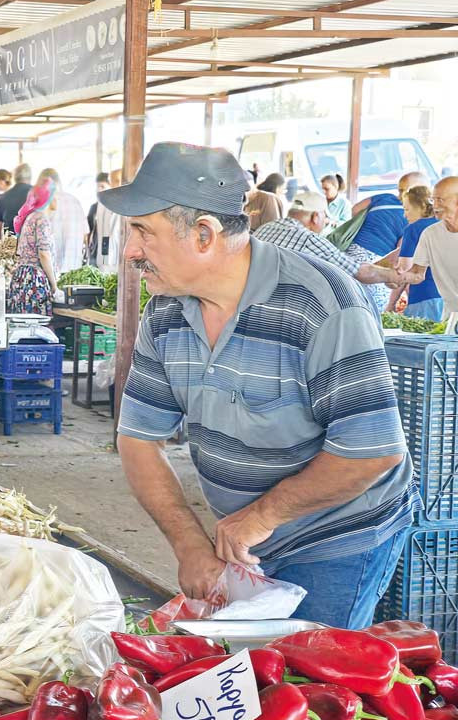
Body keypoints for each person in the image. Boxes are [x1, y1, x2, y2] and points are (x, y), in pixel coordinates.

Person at [104, 142, 413, 628]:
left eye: (142, 231)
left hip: (336, 535)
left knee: (310, 680)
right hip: (241, 539)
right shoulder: (165, 311)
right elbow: (139, 438)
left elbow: (373, 451)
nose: (130, 251)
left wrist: (263, 516)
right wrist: (190, 546)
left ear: (204, 234)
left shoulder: (321, 303)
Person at [253, 191, 403, 289]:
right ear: (316, 217)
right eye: (325, 217)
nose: (325, 222)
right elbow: (359, 272)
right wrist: (395, 276)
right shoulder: (309, 239)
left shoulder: (265, 228)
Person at [346, 172, 429, 313]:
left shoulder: (384, 198)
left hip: (350, 253)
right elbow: (402, 259)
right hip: (373, 262)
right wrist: (391, 306)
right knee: (371, 311)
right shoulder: (416, 218)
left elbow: (355, 209)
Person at [401, 177, 458, 319]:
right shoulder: (430, 233)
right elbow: (417, 273)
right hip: (450, 316)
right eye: (433, 200)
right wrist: (396, 276)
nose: (435, 205)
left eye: (440, 200)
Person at [3, 178, 58, 315]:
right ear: (48, 198)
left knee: (23, 329)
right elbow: (44, 254)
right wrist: (54, 284)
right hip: (34, 281)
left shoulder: (29, 217)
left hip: (21, 278)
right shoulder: (41, 219)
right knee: (36, 330)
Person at [389, 186, 442, 320]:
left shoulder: (413, 229)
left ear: (421, 207)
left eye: (407, 209)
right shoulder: (444, 225)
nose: (404, 215)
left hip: (424, 298)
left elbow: (404, 270)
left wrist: (390, 304)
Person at [39, 168, 88, 275]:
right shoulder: (75, 201)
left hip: (51, 268)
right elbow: (85, 235)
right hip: (74, 266)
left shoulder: (45, 203)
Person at [0, 163, 33, 240]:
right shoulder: (39, 195)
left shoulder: (1, 198)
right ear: (30, 177)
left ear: (15, 178)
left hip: (10, 247)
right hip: (32, 246)